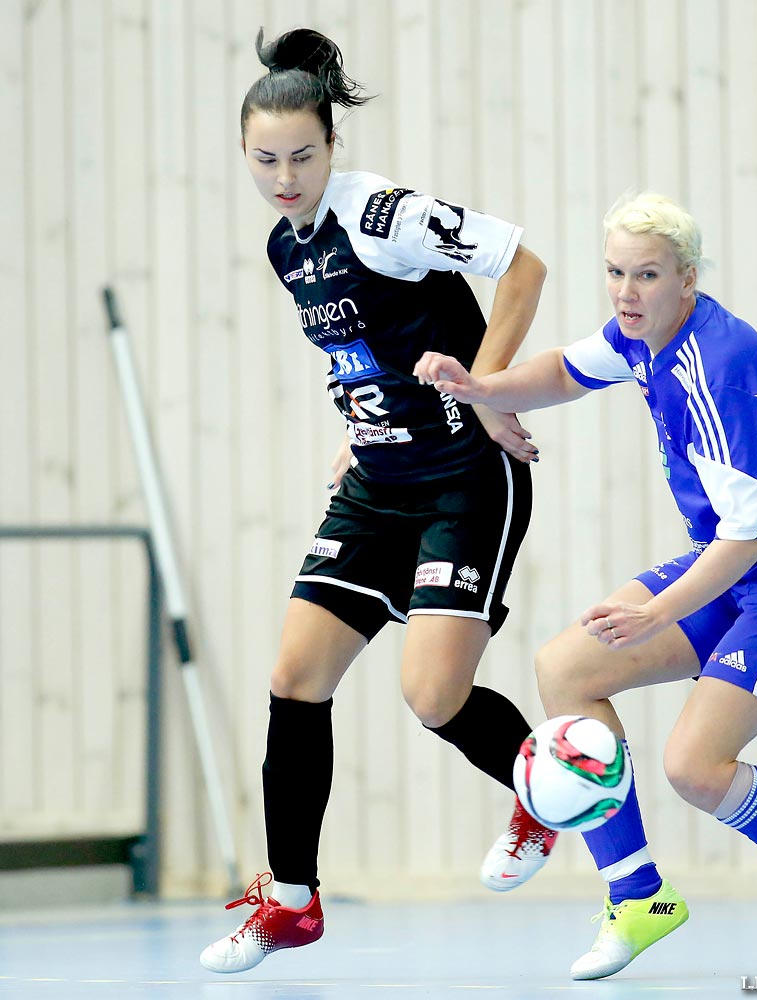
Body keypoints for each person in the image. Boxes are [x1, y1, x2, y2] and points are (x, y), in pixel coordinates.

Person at [414, 191, 757, 981]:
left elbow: (754, 533)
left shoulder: (714, 369)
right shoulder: (642, 335)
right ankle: (638, 895)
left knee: (696, 767)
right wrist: (485, 391)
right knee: (566, 667)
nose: (625, 292)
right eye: (615, 272)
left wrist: (655, 610)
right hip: (735, 556)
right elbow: (565, 371)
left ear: (687, 278)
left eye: (645, 275)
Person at [201, 26, 557, 973]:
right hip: (375, 483)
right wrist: (355, 433)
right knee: (294, 678)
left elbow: (521, 266)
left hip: (463, 479)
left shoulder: (383, 214)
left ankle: (547, 794)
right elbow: (365, 356)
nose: (284, 176)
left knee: (432, 697)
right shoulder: (288, 246)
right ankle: (290, 900)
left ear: (331, 144)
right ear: (245, 154)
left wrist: (487, 392)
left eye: (302, 156)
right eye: (265, 159)